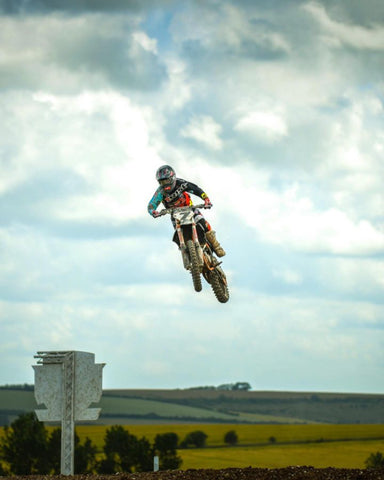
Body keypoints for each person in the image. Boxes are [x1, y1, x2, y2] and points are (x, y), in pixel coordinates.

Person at [147, 165, 226, 257]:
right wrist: (153, 211)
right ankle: (186, 253)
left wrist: (206, 199)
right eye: (162, 182)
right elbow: (152, 204)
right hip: (175, 213)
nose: (165, 184)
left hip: (189, 208)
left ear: (172, 178)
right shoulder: (160, 192)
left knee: (202, 222)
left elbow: (196, 189)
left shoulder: (181, 183)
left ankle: (216, 245)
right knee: (178, 231)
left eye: (166, 180)